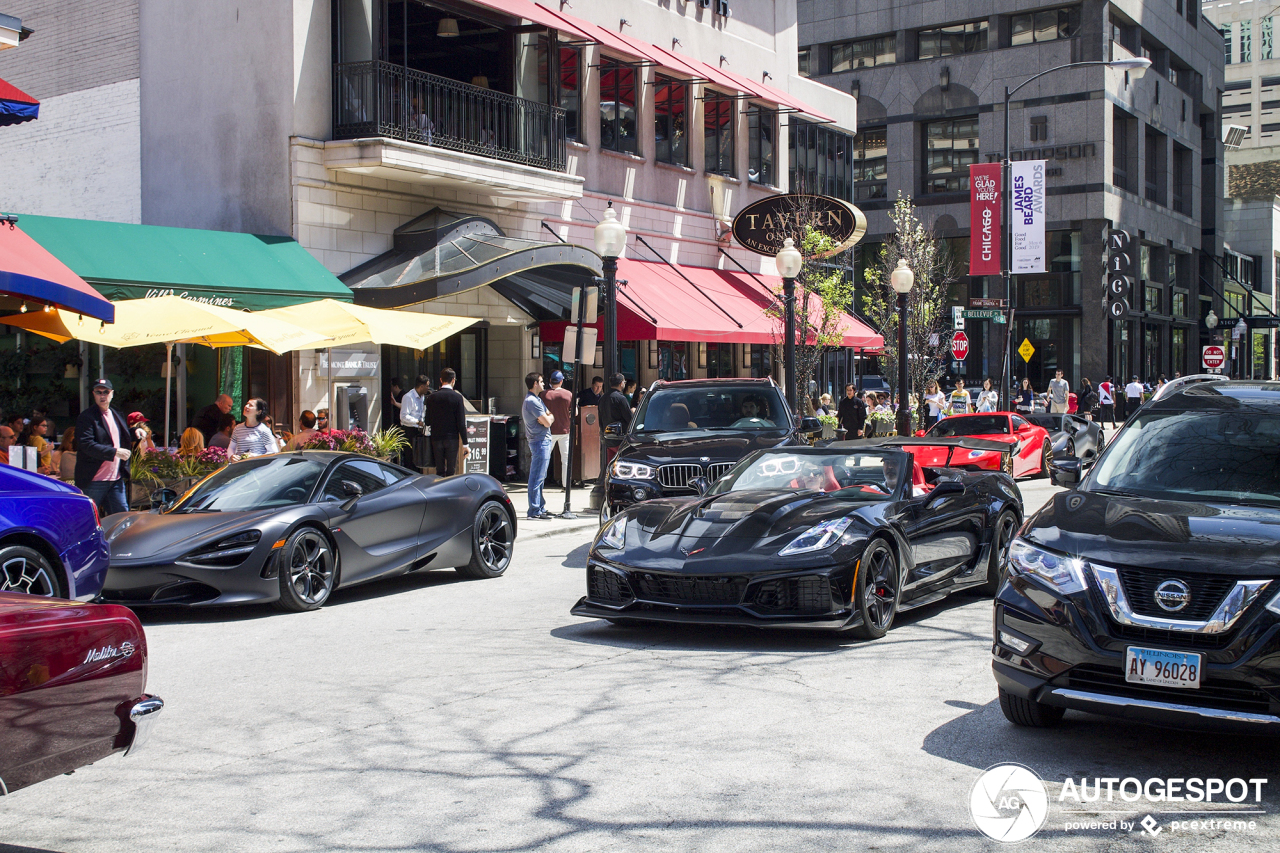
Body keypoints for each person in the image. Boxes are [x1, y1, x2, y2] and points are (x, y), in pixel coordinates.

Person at [74, 378, 133, 517]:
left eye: (105, 392)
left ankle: (119, 540)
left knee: (122, 520)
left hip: (115, 479)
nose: (102, 395)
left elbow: (117, 436)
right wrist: (115, 452)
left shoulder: (116, 413)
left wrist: (135, 432)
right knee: (87, 519)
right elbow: (87, 445)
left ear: (111, 393)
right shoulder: (87, 417)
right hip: (94, 480)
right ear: (94, 394)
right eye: (98, 392)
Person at [425, 368, 469, 477]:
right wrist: (465, 444)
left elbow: (427, 421)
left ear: (441, 380)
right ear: (453, 380)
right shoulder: (457, 397)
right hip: (452, 438)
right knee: (451, 470)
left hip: (436, 438)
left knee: (439, 470)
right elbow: (461, 423)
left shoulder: (431, 397)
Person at [522, 373, 555, 520]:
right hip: (539, 442)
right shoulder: (532, 401)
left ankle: (540, 507)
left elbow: (550, 416)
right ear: (535, 383)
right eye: (541, 381)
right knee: (536, 477)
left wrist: (548, 418)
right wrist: (547, 419)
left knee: (541, 476)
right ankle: (534, 510)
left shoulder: (537, 399)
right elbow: (548, 421)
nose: (543, 384)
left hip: (543, 441)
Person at [541, 370, 573, 488]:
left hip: (548, 430)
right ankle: (566, 484)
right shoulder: (568, 394)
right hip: (564, 429)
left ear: (550, 381)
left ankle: (540, 483)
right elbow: (574, 412)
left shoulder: (544, 395)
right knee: (565, 459)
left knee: (545, 458)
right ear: (561, 381)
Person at [400, 375, 429, 470]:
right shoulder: (408, 397)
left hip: (420, 430)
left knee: (419, 456)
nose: (428, 388)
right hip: (410, 430)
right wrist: (417, 422)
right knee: (410, 456)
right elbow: (404, 416)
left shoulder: (423, 397)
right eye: (427, 386)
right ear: (421, 386)